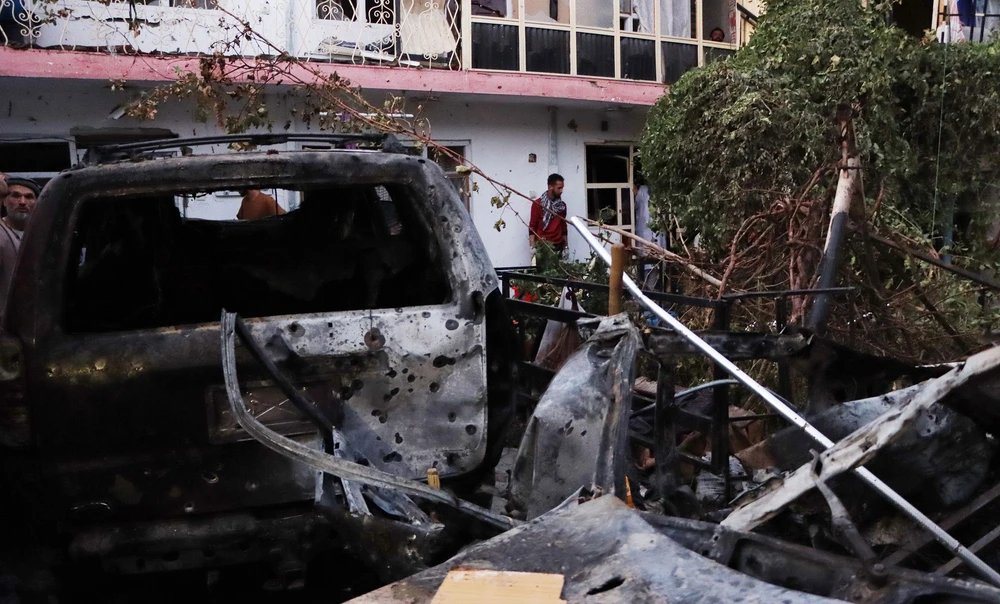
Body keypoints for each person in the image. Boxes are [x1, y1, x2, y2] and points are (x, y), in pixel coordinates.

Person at [0, 176, 39, 311]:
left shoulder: (43, 235)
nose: (22, 202)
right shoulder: (2, 233)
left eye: (29, 197)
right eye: (15, 196)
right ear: (4, 201)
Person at [528, 173, 568, 253]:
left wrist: (566, 247)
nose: (561, 191)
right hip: (543, 245)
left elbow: (563, 227)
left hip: (558, 245)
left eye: (562, 188)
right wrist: (532, 246)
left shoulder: (562, 206)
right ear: (550, 187)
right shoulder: (538, 204)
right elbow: (532, 227)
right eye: (559, 188)